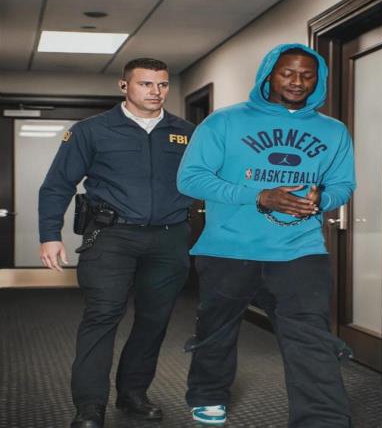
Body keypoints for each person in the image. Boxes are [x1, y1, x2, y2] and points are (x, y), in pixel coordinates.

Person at [177, 43, 356, 427]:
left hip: (300, 249)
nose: (297, 82)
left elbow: (343, 184)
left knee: (310, 337)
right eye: (287, 73)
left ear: (319, 79)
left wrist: (322, 199)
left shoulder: (333, 131)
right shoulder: (224, 122)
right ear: (269, 74)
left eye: (307, 75)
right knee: (217, 329)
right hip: (228, 247)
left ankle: (322, 420)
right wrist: (257, 195)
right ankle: (209, 393)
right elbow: (190, 178)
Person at [38, 58, 194, 428]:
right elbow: (58, 184)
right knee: (102, 316)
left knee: (154, 320)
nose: (156, 92)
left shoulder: (186, 132)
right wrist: (50, 235)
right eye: (145, 84)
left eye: (162, 84)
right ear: (124, 86)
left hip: (169, 238)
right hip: (111, 236)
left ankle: (133, 395)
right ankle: (89, 407)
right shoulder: (92, 130)